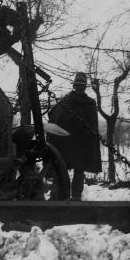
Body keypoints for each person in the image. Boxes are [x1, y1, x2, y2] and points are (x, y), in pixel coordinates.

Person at [47, 72, 102, 200]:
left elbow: (92, 126)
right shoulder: (66, 101)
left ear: (84, 87)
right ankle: (59, 195)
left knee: (76, 170)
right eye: (78, 85)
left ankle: (72, 196)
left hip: (78, 144)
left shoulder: (88, 103)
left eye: (81, 86)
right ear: (75, 86)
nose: (79, 88)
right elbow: (55, 118)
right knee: (62, 169)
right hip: (67, 144)